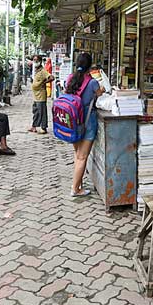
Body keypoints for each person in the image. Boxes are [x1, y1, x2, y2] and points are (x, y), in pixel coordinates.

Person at [66, 52, 102, 197]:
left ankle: (78, 182)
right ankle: (75, 189)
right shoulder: (92, 82)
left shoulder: (70, 79)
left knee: (78, 154)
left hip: (74, 122)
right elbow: (99, 94)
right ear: (90, 66)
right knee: (82, 157)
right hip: (88, 123)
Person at [29, 58, 53, 134]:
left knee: (42, 111)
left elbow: (52, 77)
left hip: (41, 95)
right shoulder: (35, 70)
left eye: (36, 60)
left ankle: (44, 127)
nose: (35, 62)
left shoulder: (43, 71)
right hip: (36, 95)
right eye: (34, 60)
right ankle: (34, 126)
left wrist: (44, 83)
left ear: (40, 61)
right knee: (35, 111)